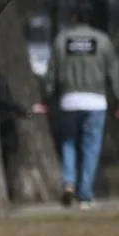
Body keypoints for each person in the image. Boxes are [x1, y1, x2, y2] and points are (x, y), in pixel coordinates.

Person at [35, 2, 119, 210]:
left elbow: (51, 74)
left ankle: (69, 182)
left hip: (69, 100)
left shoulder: (61, 40)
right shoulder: (103, 41)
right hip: (96, 101)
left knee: (69, 143)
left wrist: (47, 97)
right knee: (91, 147)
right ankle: (85, 195)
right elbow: (114, 73)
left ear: (73, 18)